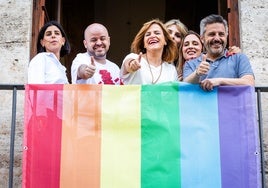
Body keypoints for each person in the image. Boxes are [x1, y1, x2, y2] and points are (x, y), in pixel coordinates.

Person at [183, 14, 254, 90]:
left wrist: (219, 81)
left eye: (221, 34)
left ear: (226, 36)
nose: (217, 38)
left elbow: (249, 82)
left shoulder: (239, 58)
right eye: (212, 34)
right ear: (202, 39)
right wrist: (197, 73)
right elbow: (185, 86)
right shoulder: (191, 64)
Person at [120, 19, 178, 85]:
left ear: (165, 41)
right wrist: (132, 64)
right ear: (144, 44)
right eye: (148, 34)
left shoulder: (171, 70)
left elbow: (173, 94)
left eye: (157, 33)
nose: (152, 36)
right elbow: (128, 63)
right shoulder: (134, 57)